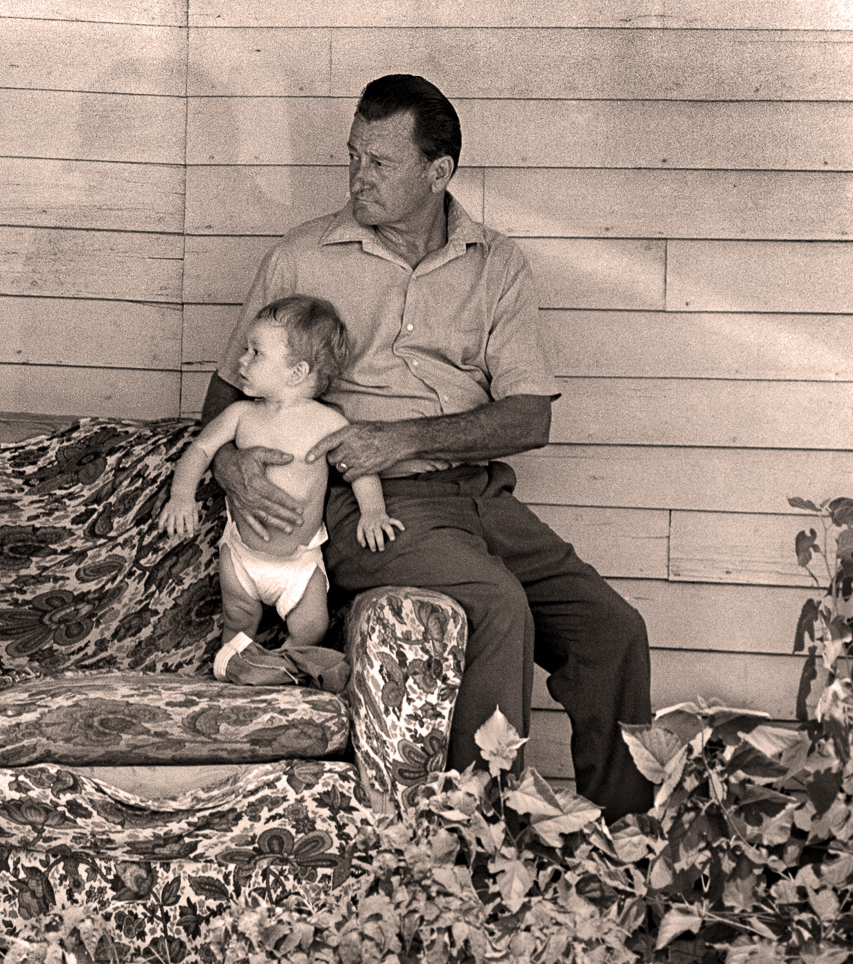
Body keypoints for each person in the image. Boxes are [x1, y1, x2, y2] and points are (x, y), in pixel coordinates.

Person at [200, 74, 654, 821]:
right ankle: (479, 846)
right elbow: (224, 401)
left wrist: (401, 437)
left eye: (379, 163)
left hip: (481, 497)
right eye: (352, 156)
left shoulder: (496, 263)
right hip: (369, 507)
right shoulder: (300, 257)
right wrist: (231, 465)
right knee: (495, 605)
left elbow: (529, 417)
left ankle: (624, 843)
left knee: (611, 629)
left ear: (438, 173)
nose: (357, 176)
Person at [159, 295, 402, 679]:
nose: (241, 361)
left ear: (296, 372)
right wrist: (181, 495)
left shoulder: (329, 422)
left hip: (300, 562)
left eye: (256, 353)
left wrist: (373, 511)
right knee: (238, 620)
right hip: (243, 557)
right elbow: (201, 448)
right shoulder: (240, 415)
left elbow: (359, 467)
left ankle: (281, 666)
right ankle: (233, 671)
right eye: (246, 349)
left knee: (312, 626)